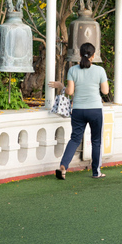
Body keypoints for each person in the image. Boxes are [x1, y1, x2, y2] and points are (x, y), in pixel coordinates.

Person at [50, 42, 109, 180]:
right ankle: (96, 172)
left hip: (78, 110)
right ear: (93, 56)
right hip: (95, 110)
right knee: (96, 141)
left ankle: (63, 167)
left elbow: (70, 92)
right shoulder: (100, 71)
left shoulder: (73, 70)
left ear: (80, 55)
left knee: (75, 139)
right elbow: (105, 91)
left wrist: (61, 86)